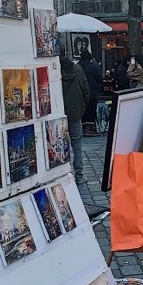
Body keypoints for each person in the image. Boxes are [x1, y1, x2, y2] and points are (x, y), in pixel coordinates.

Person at [60, 47, 90, 187]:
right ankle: (79, 174)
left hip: (59, 114)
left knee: (60, 145)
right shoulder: (78, 70)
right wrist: (81, 109)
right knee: (76, 144)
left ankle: (63, 175)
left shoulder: (55, 71)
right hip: (75, 112)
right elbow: (86, 92)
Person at [79, 52, 102, 136]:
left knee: (83, 111)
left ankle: (83, 127)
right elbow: (99, 78)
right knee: (91, 110)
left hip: (80, 92)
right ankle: (90, 128)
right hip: (92, 91)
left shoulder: (78, 67)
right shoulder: (93, 67)